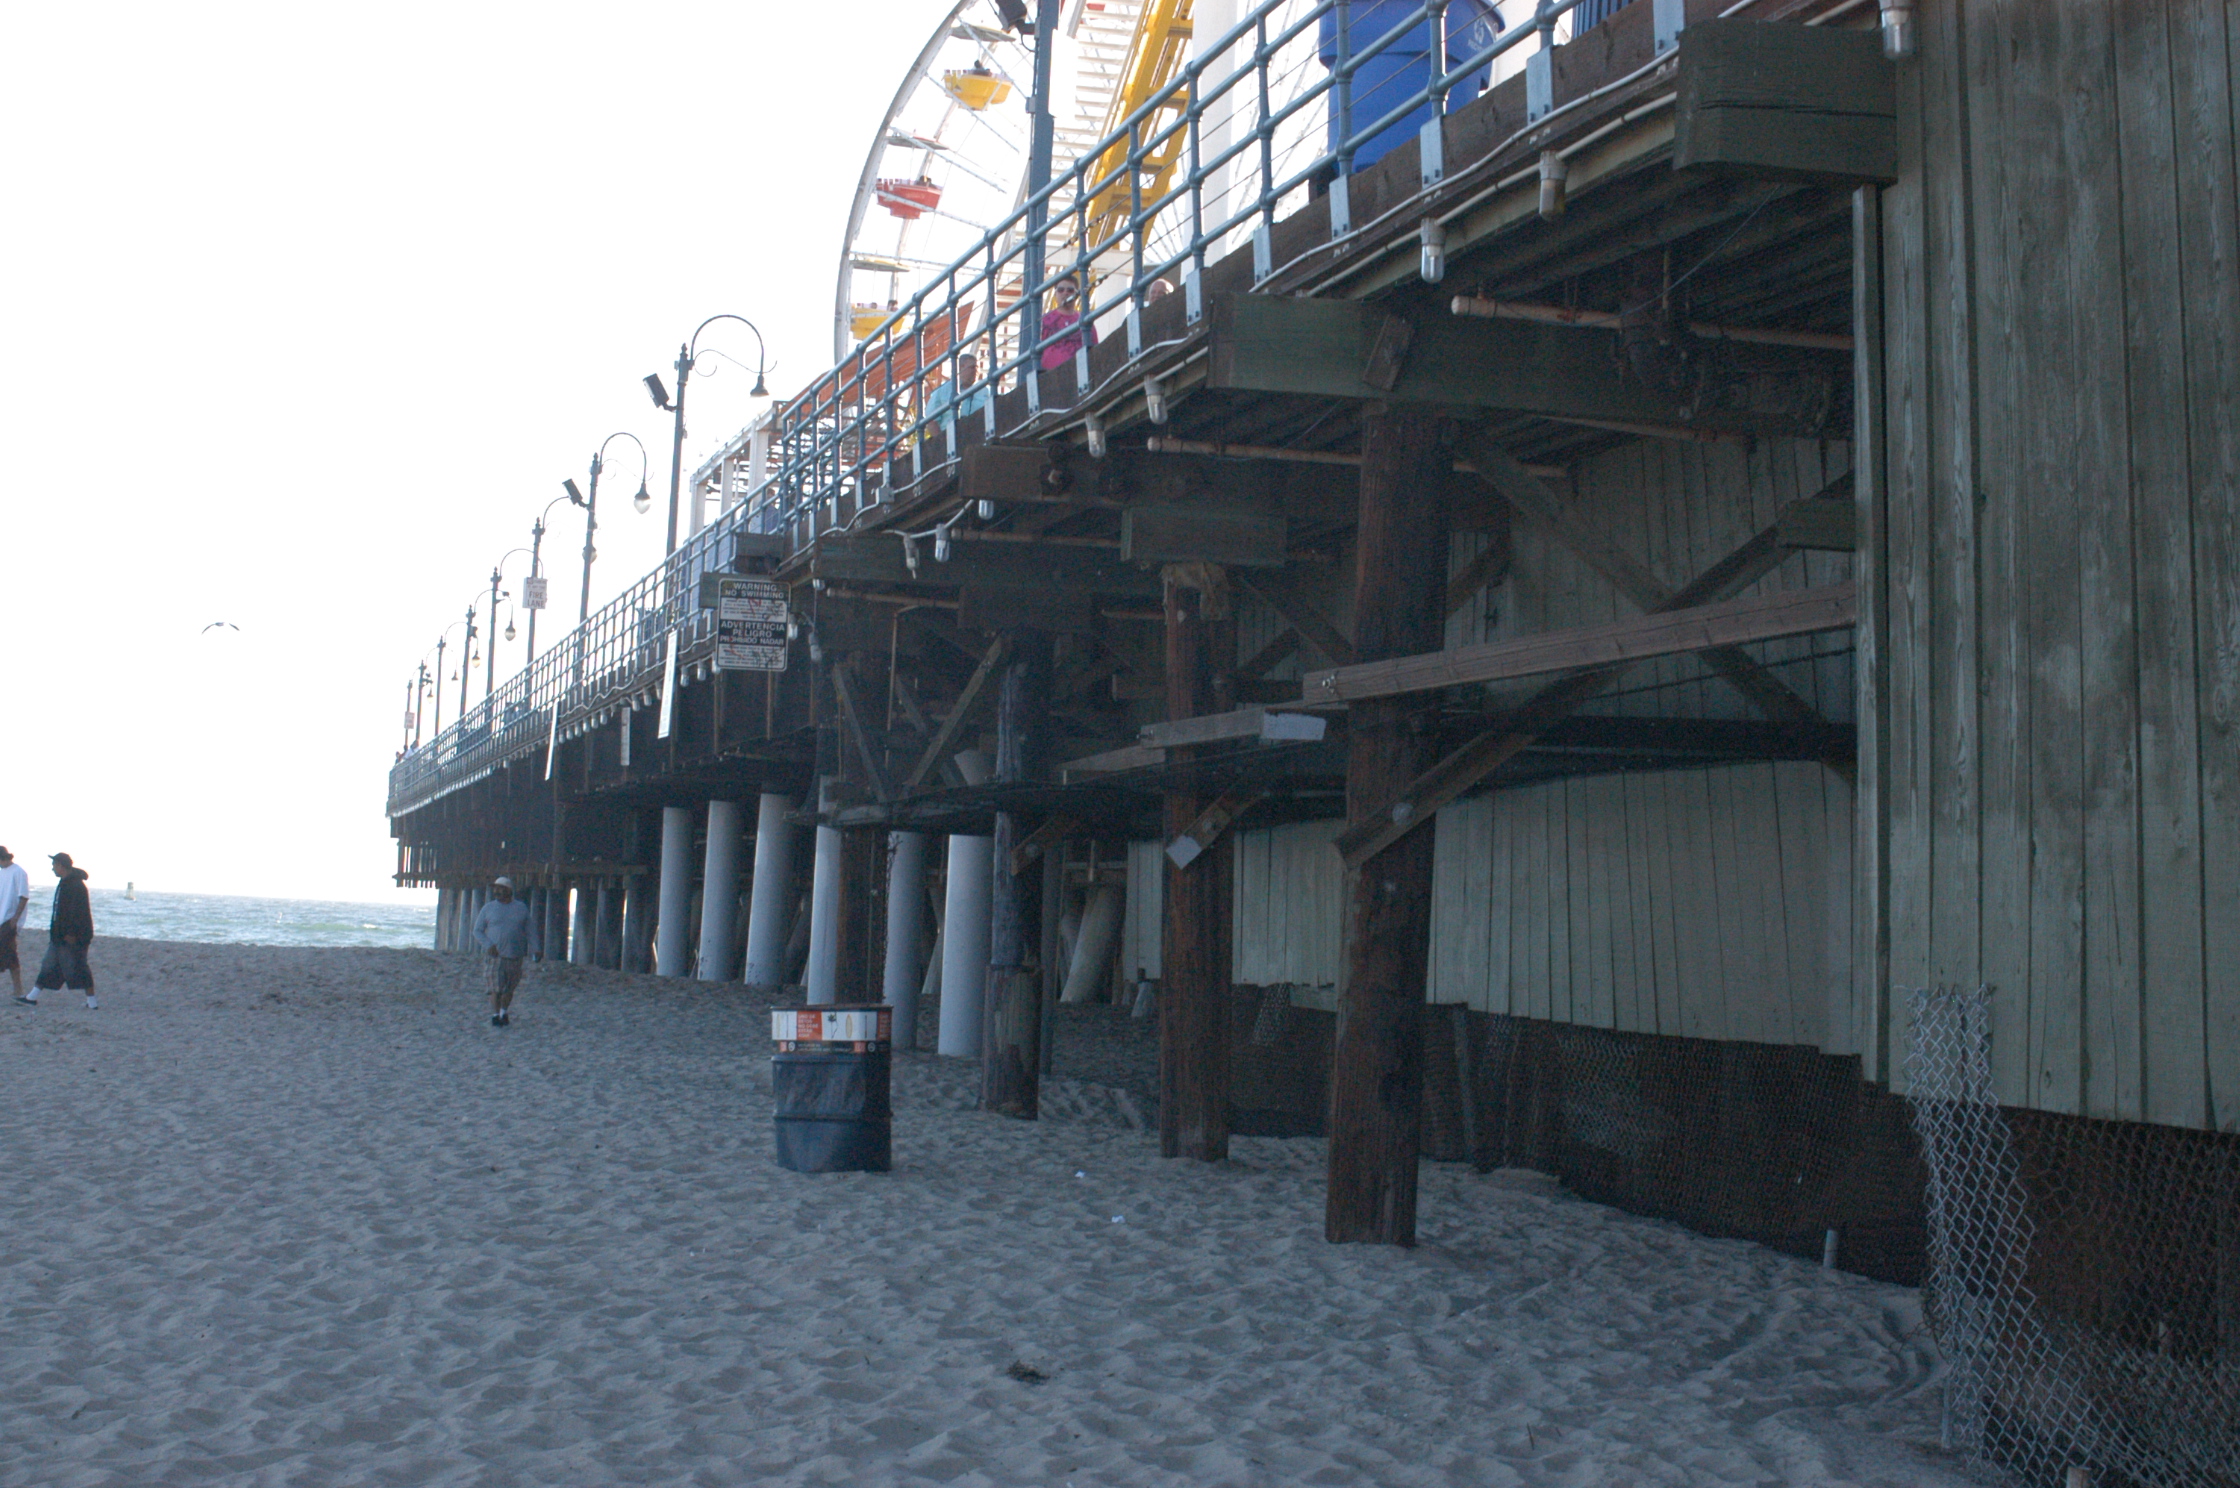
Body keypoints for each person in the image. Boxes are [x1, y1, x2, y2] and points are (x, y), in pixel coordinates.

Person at [20, 852, 94, 1010]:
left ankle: (92, 1002)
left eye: (54, 865)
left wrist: (72, 934)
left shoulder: (75, 885)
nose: (52, 868)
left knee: (79, 966)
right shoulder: (66, 882)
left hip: (72, 936)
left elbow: (78, 912)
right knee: (49, 964)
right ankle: (32, 997)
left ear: (61, 865)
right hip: (60, 935)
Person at [472, 875, 534, 1027]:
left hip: (515, 955)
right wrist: (488, 945)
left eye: (501, 888)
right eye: (496, 888)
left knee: (508, 989)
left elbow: (530, 931)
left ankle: (503, 1012)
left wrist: (536, 949)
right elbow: (477, 931)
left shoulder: (521, 908)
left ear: (509, 891)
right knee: (495, 988)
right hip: (495, 956)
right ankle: (495, 1015)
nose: (497, 891)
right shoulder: (488, 908)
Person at [1037, 279, 1098, 372]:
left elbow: (1094, 349)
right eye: (1061, 290)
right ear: (1055, 294)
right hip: (1048, 376)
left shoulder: (1086, 320)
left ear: (1077, 294)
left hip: (1078, 374)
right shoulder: (1044, 321)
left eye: (1070, 290)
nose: (1065, 293)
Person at [0, 847, 28, 1002]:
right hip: (1, 919)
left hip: (9, 921)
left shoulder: (19, 872)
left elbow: (23, 897)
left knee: (10, 956)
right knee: (10, 957)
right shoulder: (2, 872)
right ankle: (18, 992)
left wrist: (15, 919)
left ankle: (19, 992)